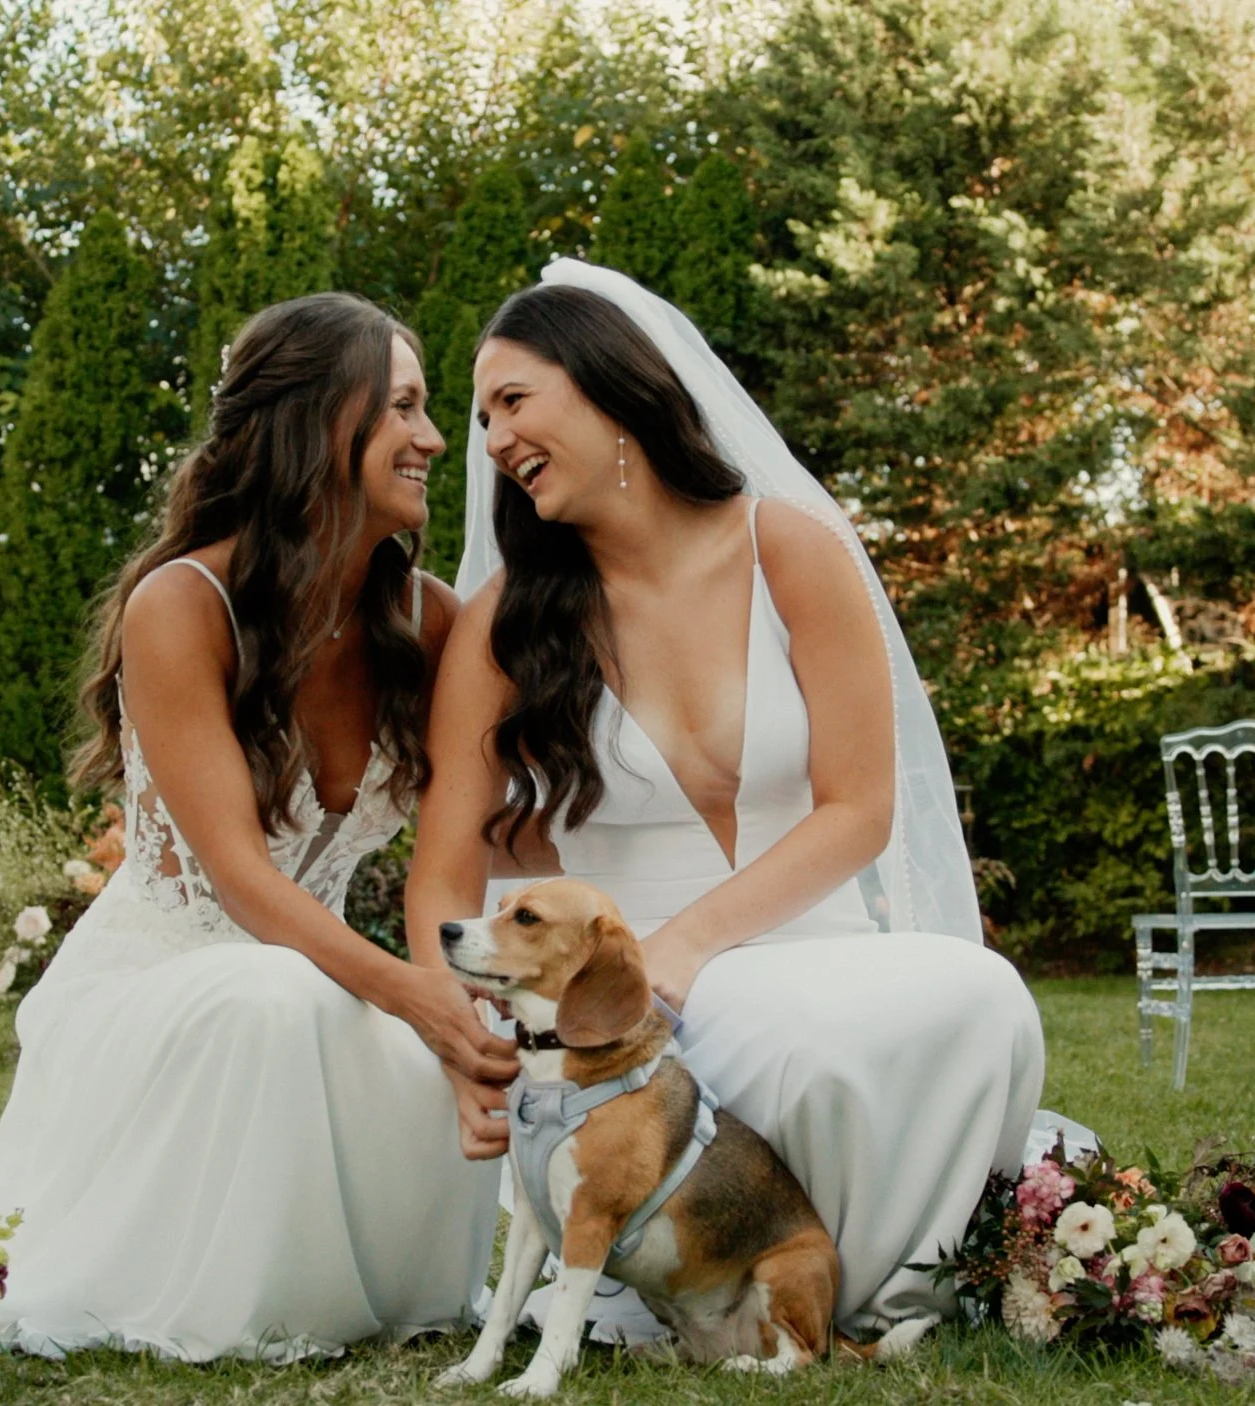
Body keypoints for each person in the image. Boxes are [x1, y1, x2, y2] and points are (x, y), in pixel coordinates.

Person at [403, 261, 1050, 1344]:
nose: (493, 442)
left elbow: (859, 808)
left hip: (801, 935)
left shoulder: (789, 547)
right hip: (619, 994)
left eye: (513, 401)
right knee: (803, 1041)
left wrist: (688, 945)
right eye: (481, 420)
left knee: (982, 995)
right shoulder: (505, 621)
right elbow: (442, 871)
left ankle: (883, 1286)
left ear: (611, 387)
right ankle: (767, 1293)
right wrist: (460, 1029)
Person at [0, 292, 511, 1362]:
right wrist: (411, 993)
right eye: (403, 407)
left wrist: (454, 1002)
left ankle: (383, 1286)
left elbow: (473, 842)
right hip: (160, 993)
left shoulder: (432, 623)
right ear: (318, 423)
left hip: (319, 984)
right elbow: (238, 877)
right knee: (280, 998)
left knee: (440, 1033)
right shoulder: (182, 604)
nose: (430, 439)